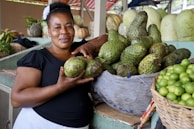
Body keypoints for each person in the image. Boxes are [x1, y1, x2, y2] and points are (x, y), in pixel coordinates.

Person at [11, 2, 108, 129]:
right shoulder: (38, 57)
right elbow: (17, 99)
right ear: (49, 31)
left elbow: (107, 38)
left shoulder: (80, 50)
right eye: (57, 27)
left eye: (69, 26)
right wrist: (59, 88)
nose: (64, 32)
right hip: (39, 124)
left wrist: (90, 45)